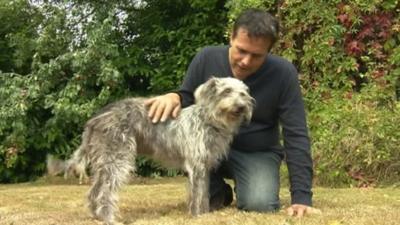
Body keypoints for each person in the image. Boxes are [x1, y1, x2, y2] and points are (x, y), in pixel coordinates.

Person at [145, 8, 314, 217]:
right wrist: (174, 96)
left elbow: (295, 133)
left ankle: (242, 186)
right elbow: (187, 97)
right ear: (231, 37)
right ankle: (217, 191)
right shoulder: (206, 57)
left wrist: (301, 197)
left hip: (256, 152)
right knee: (211, 201)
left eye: (256, 55)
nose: (245, 61)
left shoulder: (284, 73)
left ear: (270, 51)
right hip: (207, 147)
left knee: (260, 203)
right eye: (241, 50)